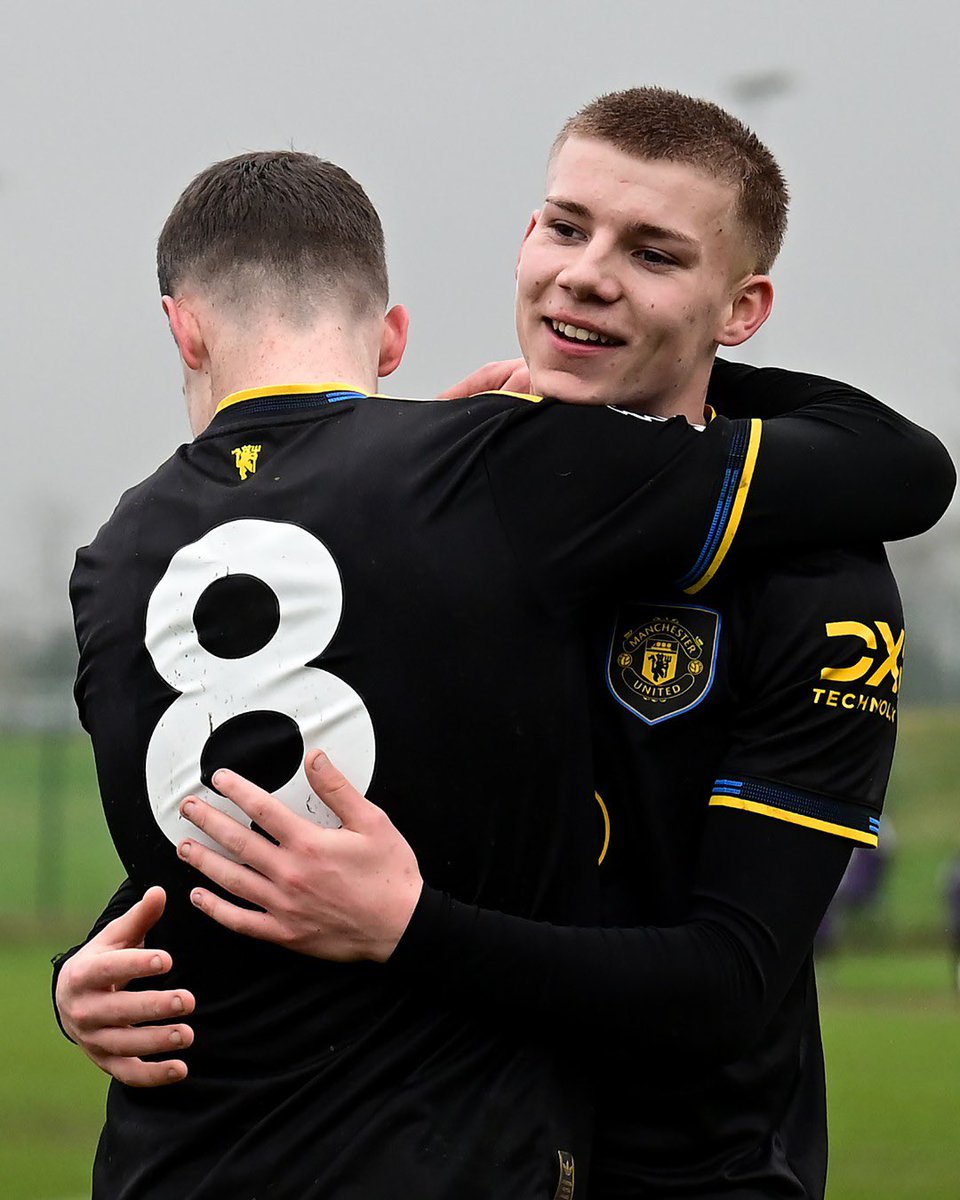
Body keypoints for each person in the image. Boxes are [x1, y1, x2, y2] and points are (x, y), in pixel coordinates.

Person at [54, 98, 953, 1200]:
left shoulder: (816, 582)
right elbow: (282, 819)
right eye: (564, 227)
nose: (584, 273)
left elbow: (732, 982)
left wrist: (413, 928)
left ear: (742, 307)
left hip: (685, 1175)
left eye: (654, 253)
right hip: (465, 1153)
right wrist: (95, 969)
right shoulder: (444, 514)